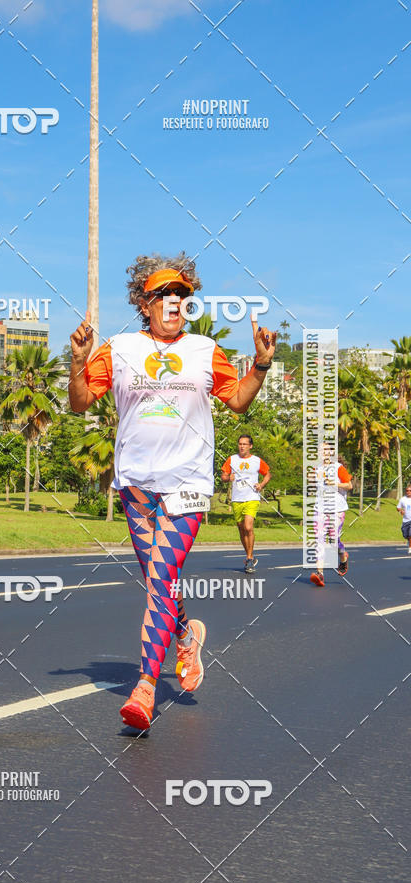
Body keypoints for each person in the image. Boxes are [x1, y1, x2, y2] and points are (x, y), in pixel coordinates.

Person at [69, 253, 276, 731]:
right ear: (145, 303)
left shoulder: (205, 350)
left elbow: (239, 402)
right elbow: (80, 403)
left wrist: (262, 365)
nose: (174, 302)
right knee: (156, 583)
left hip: (188, 482)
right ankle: (186, 634)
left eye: (182, 295)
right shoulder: (118, 349)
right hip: (137, 484)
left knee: (161, 582)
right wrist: (79, 362)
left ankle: (145, 686)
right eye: (164, 295)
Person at [221, 435, 271, 573]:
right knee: (241, 528)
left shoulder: (256, 461)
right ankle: (250, 556)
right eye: (240, 444)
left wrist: (261, 485)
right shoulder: (232, 459)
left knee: (248, 527)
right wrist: (228, 478)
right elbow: (223, 476)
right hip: (237, 499)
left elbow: (268, 474)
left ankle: (249, 558)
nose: (242, 446)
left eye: (245, 444)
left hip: (252, 497)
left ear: (250, 446)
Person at [310, 449, 352, 587]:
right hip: (320, 509)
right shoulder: (317, 469)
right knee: (319, 540)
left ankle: (343, 557)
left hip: (337, 509)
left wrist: (334, 484)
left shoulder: (338, 468)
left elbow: (349, 485)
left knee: (333, 542)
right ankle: (319, 573)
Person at [396, 484, 411, 554]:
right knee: (405, 534)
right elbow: (398, 507)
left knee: (410, 534)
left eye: (410, 491)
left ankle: (410, 548)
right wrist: (400, 510)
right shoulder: (403, 499)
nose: (408, 492)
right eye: (407, 491)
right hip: (405, 520)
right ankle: (409, 540)